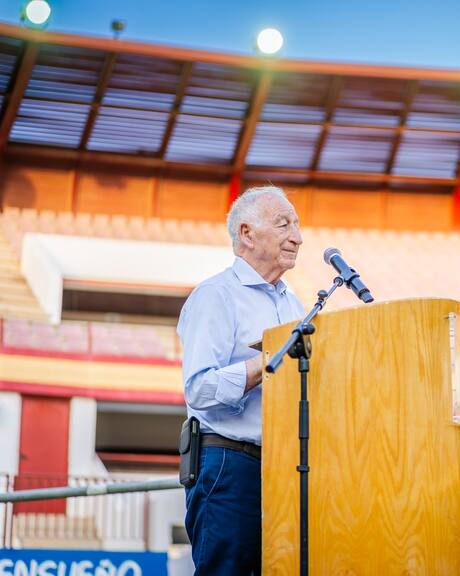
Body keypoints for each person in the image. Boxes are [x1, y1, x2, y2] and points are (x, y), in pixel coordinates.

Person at [177, 185, 305, 575]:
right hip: (227, 465)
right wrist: (266, 362)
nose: (297, 237)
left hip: (284, 466)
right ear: (247, 234)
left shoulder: (294, 304)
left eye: (297, 225)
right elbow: (199, 389)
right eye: (283, 224)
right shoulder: (216, 295)